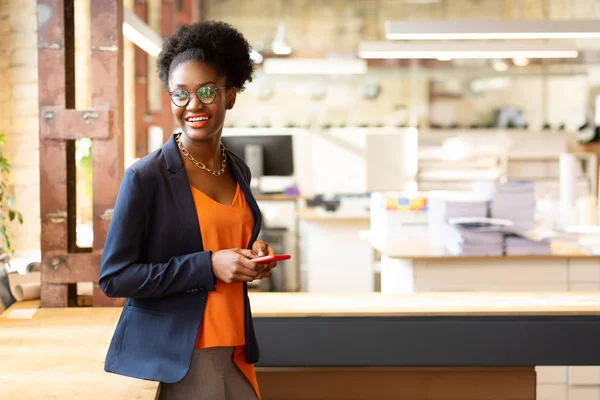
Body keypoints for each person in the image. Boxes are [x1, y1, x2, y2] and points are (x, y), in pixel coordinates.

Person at [99, 20, 277, 400]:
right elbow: (115, 278)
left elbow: (223, 238)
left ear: (230, 96)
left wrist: (252, 254)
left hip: (236, 346)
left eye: (207, 91)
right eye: (181, 94)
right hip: (184, 354)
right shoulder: (146, 177)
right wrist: (209, 265)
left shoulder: (237, 168)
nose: (193, 104)